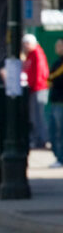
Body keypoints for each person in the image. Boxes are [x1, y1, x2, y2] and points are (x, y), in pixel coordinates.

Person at [22, 34, 50, 148]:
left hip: (39, 89)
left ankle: (42, 140)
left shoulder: (37, 53)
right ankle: (38, 139)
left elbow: (40, 72)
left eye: (26, 44)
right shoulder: (30, 55)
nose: (25, 47)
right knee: (34, 116)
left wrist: (33, 85)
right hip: (33, 88)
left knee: (39, 116)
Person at [48, 39, 63, 168]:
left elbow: (54, 79)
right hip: (55, 101)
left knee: (59, 132)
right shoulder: (57, 63)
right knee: (55, 132)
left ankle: (61, 158)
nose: (57, 48)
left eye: (59, 46)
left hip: (60, 101)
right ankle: (58, 157)